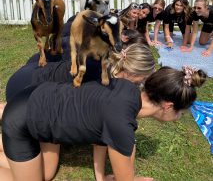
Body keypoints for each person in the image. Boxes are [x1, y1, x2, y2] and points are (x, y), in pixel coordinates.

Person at [0, 60, 207, 181]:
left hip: (38, 98)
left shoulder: (127, 89)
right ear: (168, 105)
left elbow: (103, 137)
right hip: (23, 120)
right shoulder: (121, 123)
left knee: (47, 172)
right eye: (181, 113)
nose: (178, 118)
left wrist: (102, 178)